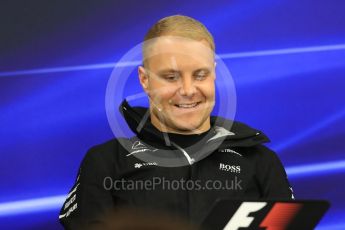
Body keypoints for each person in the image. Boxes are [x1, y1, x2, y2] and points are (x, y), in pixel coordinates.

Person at [59, 15, 294, 229]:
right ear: (145, 80)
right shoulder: (105, 163)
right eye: (171, 77)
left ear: (213, 74)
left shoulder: (261, 161)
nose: (188, 90)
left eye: (200, 75)